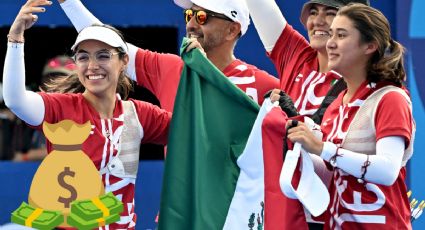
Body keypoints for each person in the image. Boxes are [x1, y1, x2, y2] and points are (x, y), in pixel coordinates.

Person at [3, 0, 171, 229]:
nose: (92, 65)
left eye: (103, 56)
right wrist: (15, 40)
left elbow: (195, 132)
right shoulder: (61, 108)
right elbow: (15, 100)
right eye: (83, 57)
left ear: (123, 62)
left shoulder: (140, 114)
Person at [286, 3, 414, 229]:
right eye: (332, 34)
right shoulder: (337, 103)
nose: (330, 43)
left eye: (342, 35)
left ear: (370, 46)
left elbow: (387, 171)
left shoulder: (390, 98)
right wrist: (294, 144)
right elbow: (333, 173)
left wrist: (320, 147)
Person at [57, 0, 279, 112]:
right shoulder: (170, 68)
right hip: (184, 201)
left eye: (202, 17)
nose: (191, 24)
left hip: (244, 200)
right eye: (189, 15)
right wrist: (68, 2)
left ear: (232, 30)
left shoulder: (266, 87)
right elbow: (107, 39)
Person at [245, 0, 369, 118]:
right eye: (313, 13)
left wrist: (294, 119)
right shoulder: (296, 56)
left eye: (331, 14)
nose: (317, 21)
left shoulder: (363, 81)